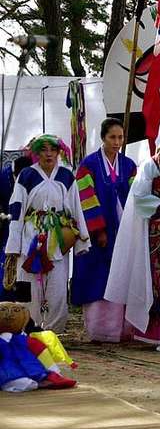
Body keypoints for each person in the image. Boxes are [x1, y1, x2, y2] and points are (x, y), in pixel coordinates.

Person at [105, 107, 160, 351]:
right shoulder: (150, 167)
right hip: (158, 232)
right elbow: (139, 198)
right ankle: (159, 335)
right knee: (158, 283)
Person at [4, 135, 89, 332]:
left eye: (53, 149)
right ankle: (29, 329)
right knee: (30, 286)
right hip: (31, 236)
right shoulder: (26, 175)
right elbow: (17, 209)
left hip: (58, 236)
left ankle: (54, 332)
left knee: (58, 288)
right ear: (37, 152)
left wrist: (82, 239)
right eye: (44, 149)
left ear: (59, 152)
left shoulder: (66, 176)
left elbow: (76, 208)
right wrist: (14, 244)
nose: (49, 154)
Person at [73, 118, 136, 342]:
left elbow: (135, 195)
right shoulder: (88, 165)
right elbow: (85, 199)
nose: (117, 142)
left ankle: (125, 329)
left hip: (125, 229)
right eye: (112, 137)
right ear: (103, 137)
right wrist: (98, 230)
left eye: (120, 137)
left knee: (122, 274)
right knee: (99, 276)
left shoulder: (129, 165)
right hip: (100, 230)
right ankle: (100, 330)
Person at [1, 156, 32, 302]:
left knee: (25, 267)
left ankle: (23, 307)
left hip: (29, 229)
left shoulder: (33, 177)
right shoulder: (3, 177)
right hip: (6, 229)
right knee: (7, 264)